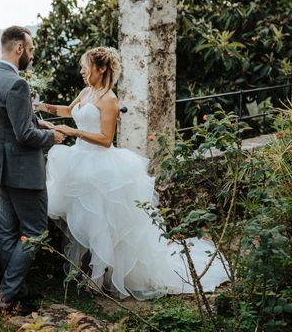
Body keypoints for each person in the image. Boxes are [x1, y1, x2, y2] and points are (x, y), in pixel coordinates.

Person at [35, 46, 230, 300]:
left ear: (101, 69)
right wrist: (42, 107)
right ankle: (92, 275)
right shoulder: (86, 92)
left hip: (102, 167)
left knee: (102, 224)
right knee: (89, 221)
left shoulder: (110, 100)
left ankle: (97, 280)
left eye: (86, 66)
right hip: (80, 163)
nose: (82, 71)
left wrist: (73, 132)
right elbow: (68, 112)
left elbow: (105, 139)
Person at [0, 25, 65, 313]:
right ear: (19, 49)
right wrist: (51, 136)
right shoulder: (18, 84)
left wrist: (38, 122)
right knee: (36, 231)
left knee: (7, 229)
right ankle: (7, 293)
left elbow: (9, 120)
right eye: (30, 49)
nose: (32, 54)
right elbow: (24, 136)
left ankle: (15, 290)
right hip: (22, 171)